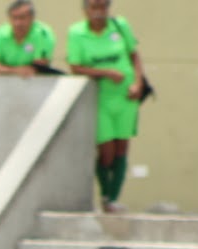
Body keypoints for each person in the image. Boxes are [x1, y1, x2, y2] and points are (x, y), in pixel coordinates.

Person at [67, 0, 147, 214]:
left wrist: (138, 83)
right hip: (101, 97)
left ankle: (112, 199)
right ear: (86, 10)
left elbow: (134, 55)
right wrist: (105, 73)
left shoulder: (119, 26)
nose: (99, 12)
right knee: (106, 149)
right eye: (94, 7)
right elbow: (75, 67)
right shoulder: (77, 33)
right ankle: (105, 193)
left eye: (103, 7)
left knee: (122, 146)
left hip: (125, 96)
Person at [0, 0, 56, 78]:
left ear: (32, 18)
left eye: (22, 18)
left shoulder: (43, 33)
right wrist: (15, 70)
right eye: (14, 18)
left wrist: (3, 69)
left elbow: (40, 67)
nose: (18, 23)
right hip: (4, 81)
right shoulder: (1, 33)